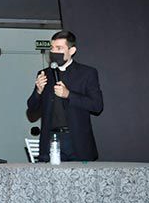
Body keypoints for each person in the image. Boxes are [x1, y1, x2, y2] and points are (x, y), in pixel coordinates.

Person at [27, 30, 103, 161]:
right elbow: (32, 108)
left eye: (59, 48)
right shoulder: (44, 73)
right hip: (51, 139)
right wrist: (38, 91)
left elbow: (97, 106)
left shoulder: (87, 73)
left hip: (77, 141)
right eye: (52, 48)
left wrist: (68, 94)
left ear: (71, 50)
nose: (54, 52)